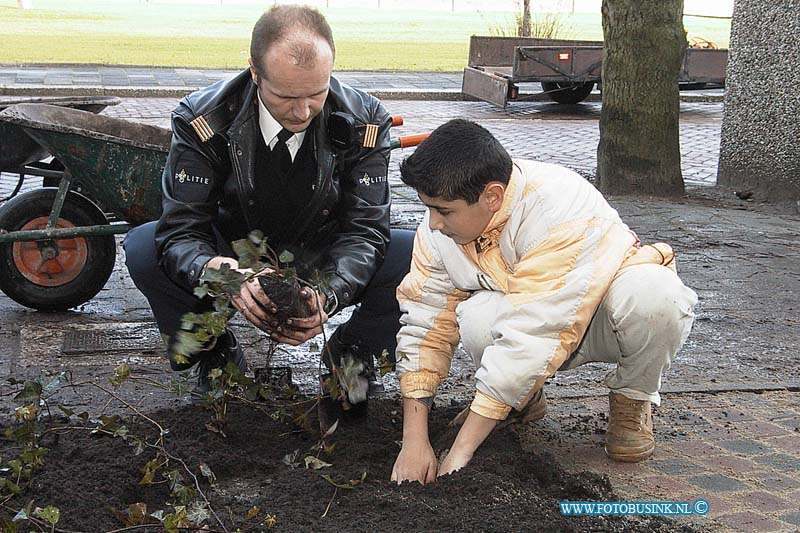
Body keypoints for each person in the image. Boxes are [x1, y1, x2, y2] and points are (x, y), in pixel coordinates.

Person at [124, 5, 413, 403]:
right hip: (234, 251)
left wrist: (327, 297)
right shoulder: (202, 119)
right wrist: (227, 278)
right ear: (255, 72)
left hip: (322, 252)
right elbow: (181, 230)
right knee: (143, 248)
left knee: (416, 255)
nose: (302, 111)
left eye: (317, 93)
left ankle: (352, 352)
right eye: (285, 96)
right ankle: (216, 354)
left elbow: (366, 229)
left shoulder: (365, 120)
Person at [390, 119, 697, 485]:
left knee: (656, 297)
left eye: (443, 211)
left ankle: (632, 398)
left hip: (606, 316)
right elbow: (425, 321)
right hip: (534, 319)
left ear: (492, 196)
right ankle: (520, 400)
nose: (433, 223)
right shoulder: (439, 228)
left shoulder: (555, 206)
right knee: (475, 317)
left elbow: (535, 330)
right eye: (428, 208)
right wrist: (414, 441)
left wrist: (460, 452)